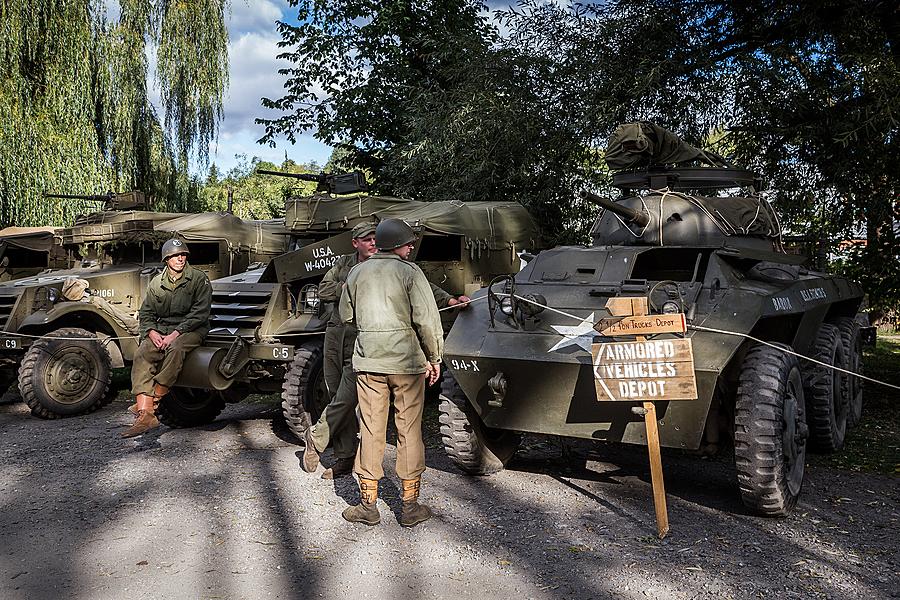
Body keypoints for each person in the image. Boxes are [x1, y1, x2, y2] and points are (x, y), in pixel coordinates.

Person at [303, 222, 469, 479]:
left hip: (365, 342)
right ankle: (346, 457)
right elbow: (325, 290)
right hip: (338, 336)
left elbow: (425, 292)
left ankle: (316, 437)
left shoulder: (400, 269)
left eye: (375, 238)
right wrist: (347, 287)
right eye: (366, 239)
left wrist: (449, 300)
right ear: (355, 243)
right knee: (336, 392)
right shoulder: (346, 265)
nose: (372, 243)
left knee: (348, 398)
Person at [337, 218, 444, 527]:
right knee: (408, 430)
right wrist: (435, 356)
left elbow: (345, 315)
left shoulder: (357, 272)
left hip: (369, 362)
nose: (412, 246)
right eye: (408, 242)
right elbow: (427, 320)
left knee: (371, 429)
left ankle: (367, 505)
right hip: (407, 364)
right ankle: (410, 507)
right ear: (397, 244)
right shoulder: (410, 272)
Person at [121, 238, 212, 438]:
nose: (180, 259)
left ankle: (152, 404)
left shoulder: (198, 279)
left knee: (176, 349)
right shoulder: (157, 283)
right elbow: (146, 313)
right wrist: (152, 332)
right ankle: (145, 415)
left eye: (183, 255)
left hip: (192, 330)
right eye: (175, 256)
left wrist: (174, 334)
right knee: (143, 352)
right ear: (166, 259)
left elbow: (200, 313)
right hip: (163, 329)